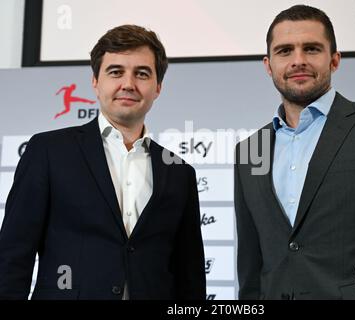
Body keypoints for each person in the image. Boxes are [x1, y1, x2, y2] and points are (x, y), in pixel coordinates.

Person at [234, 5, 355, 300]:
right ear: (268, 64)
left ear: (335, 60)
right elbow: (251, 269)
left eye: (312, 49)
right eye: (285, 51)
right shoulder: (250, 149)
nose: (298, 61)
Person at [0, 25, 206, 300]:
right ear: (95, 82)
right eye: (116, 72)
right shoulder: (48, 151)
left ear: (157, 87)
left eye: (142, 74)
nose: (128, 84)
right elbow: (13, 256)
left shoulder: (179, 172)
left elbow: (189, 276)